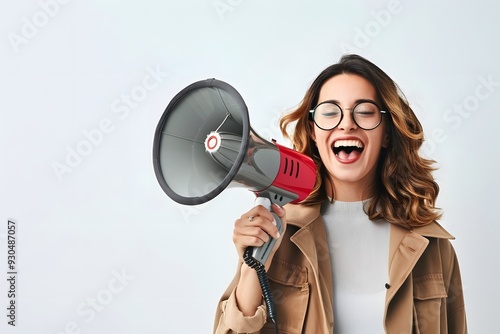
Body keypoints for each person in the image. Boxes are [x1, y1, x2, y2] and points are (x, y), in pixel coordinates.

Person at [213, 54, 467, 333]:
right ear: (312, 131)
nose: (346, 124)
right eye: (330, 112)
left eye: (365, 112)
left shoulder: (433, 247)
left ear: (386, 133)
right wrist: (252, 265)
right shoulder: (280, 232)